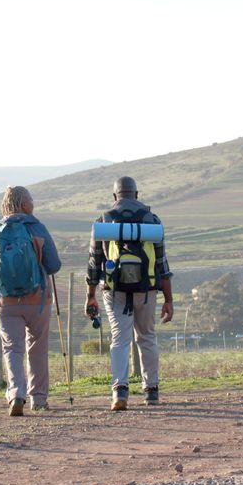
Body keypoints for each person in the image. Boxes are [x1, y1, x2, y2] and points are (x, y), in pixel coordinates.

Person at [86, 176, 173, 410]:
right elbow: (162, 265)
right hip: (147, 290)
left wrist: (90, 295)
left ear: (115, 196)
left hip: (115, 291)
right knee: (147, 337)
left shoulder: (104, 221)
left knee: (119, 340)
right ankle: (151, 391)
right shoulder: (152, 220)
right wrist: (169, 300)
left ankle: (120, 392)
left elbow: (95, 263)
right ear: (136, 194)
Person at [0, 186, 61, 416]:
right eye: (31, 201)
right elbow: (54, 265)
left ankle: (16, 394)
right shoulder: (37, 227)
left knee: (11, 348)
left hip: (4, 300)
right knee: (37, 346)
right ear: (24, 204)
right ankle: (39, 398)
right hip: (37, 299)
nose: (33, 204)